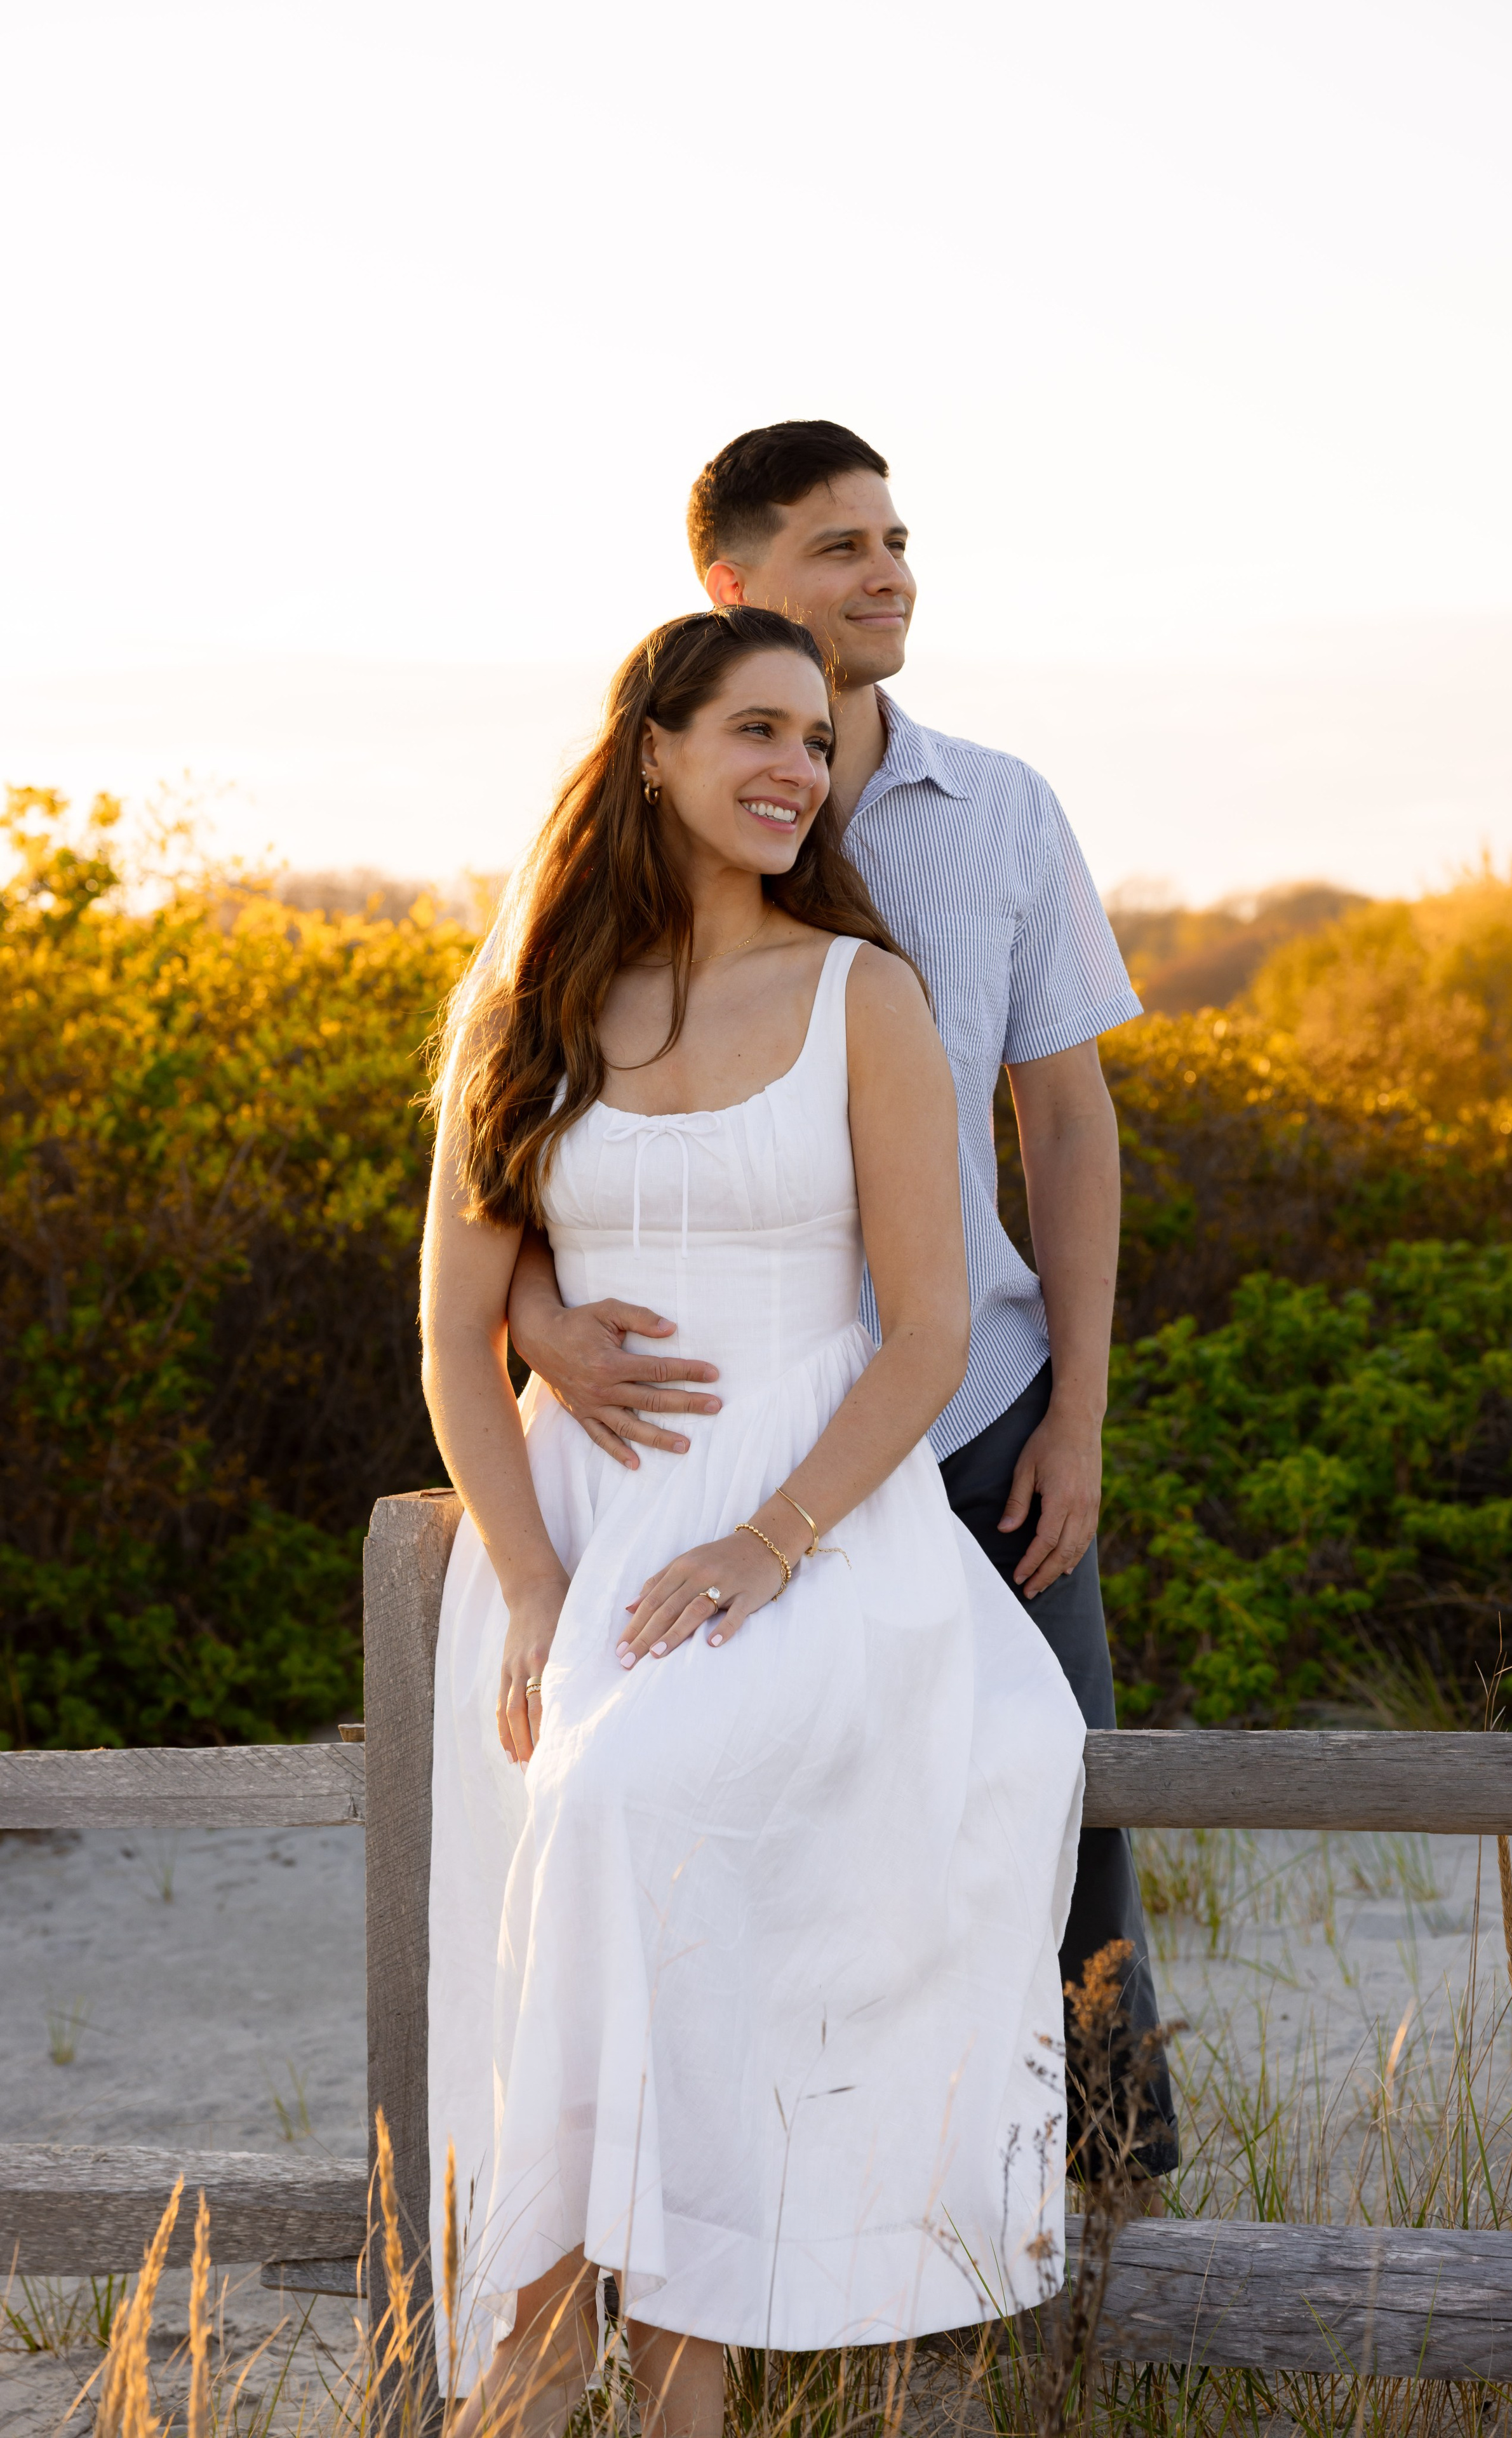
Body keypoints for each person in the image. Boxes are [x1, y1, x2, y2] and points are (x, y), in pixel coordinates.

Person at [423, 605, 1085, 2438]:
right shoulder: (533, 1008)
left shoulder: (862, 995)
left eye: (817, 736)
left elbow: (932, 1329)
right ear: (655, 750)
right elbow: (454, 1333)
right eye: (757, 731)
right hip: (581, 1535)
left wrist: (766, 1545)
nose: (799, 766)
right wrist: (543, 1590)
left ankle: (559, 2345)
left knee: (644, 1810)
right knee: (611, 1853)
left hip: (818, 1522)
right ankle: (638, 2378)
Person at [505, 422, 1177, 2181]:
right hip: (737, 1431)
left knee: (1051, 1815)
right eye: (839, 547)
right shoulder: (644, 834)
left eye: (898, 539)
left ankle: (1090, 2227)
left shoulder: (1004, 810)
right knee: (774, 1828)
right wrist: (537, 1322)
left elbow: (1067, 1124)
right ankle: (807, 2210)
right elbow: (520, 1123)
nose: (889, 574)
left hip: (973, 1420)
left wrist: (1081, 1419)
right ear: (731, 589)